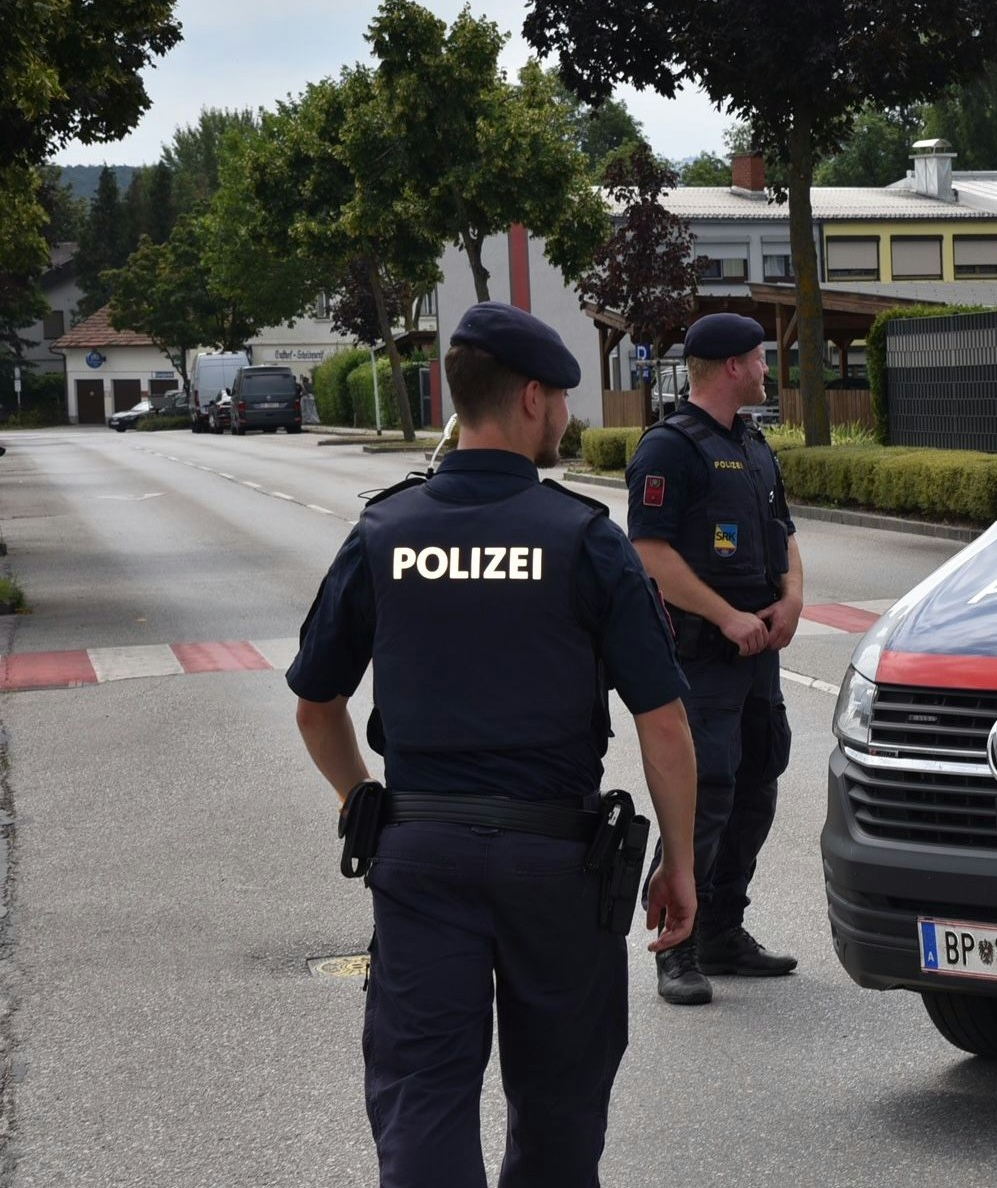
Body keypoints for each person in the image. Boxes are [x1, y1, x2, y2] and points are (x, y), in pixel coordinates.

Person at [288, 301, 700, 1187]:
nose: (565, 419)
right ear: (529, 399)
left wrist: (362, 797)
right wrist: (682, 859)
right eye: (559, 400)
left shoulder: (385, 533)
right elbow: (662, 720)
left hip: (422, 856)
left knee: (423, 1095)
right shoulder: (586, 539)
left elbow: (316, 704)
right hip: (556, 865)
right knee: (559, 1102)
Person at [627, 312, 803, 1005]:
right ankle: (678, 946)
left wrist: (792, 598)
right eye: (760, 359)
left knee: (758, 783)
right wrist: (724, 614)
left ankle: (725, 929)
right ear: (732, 366)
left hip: (759, 657)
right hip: (701, 657)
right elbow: (648, 552)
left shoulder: (756, 447)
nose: (766, 369)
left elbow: (785, 533)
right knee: (704, 797)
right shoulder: (670, 449)